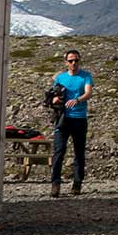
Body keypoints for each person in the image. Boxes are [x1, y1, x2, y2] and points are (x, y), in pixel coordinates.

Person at [48, 49, 93, 197]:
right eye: (71, 61)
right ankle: (55, 184)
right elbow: (53, 93)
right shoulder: (60, 78)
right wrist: (55, 99)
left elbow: (88, 93)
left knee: (79, 152)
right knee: (59, 151)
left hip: (79, 119)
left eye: (76, 60)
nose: (74, 63)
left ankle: (77, 183)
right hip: (63, 119)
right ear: (66, 62)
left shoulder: (86, 76)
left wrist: (78, 100)